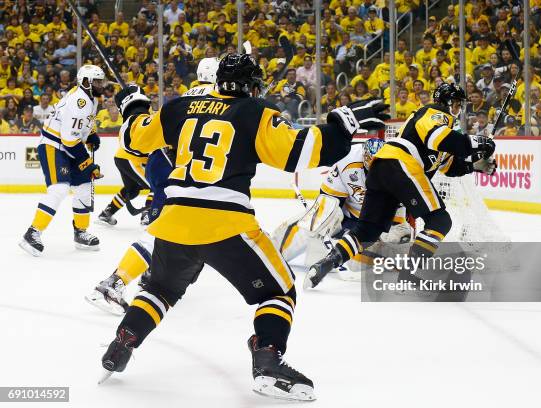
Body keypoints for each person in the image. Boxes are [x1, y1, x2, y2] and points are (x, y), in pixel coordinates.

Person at [99, 54, 389, 401]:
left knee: (160, 290)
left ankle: (122, 343)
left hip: (174, 219)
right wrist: (342, 125)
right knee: (278, 292)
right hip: (225, 223)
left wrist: (133, 106)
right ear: (252, 85)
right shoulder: (255, 111)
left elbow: (134, 139)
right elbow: (296, 153)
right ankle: (267, 359)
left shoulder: (179, 108)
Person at [305, 83, 497, 289]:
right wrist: (478, 142)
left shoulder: (444, 138)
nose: (459, 109)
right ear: (448, 102)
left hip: (382, 169)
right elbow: (439, 137)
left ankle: (326, 263)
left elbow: (449, 166)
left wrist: (476, 165)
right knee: (440, 221)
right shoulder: (434, 112)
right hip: (401, 164)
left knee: (368, 230)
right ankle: (410, 272)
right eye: (457, 104)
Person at [87, 58, 220, 314]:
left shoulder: (185, 97)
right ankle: (117, 282)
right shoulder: (221, 98)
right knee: (166, 232)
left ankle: (141, 275)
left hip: (165, 164)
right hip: (182, 173)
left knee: (180, 232)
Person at [272, 138, 411, 270]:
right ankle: (276, 254)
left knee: (395, 241)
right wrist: (328, 227)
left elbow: (397, 218)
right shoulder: (347, 160)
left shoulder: (399, 171)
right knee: (320, 215)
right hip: (348, 218)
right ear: (365, 161)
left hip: (373, 224)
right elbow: (326, 200)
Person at [19, 65, 105, 256]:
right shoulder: (78, 101)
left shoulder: (92, 99)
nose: (101, 84)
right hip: (54, 144)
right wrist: (87, 163)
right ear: (85, 82)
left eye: (101, 81)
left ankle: (80, 232)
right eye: (97, 81)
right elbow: (69, 139)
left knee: (84, 185)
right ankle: (32, 233)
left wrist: (91, 134)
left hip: (70, 145)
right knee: (59, 188)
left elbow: (85, 124)